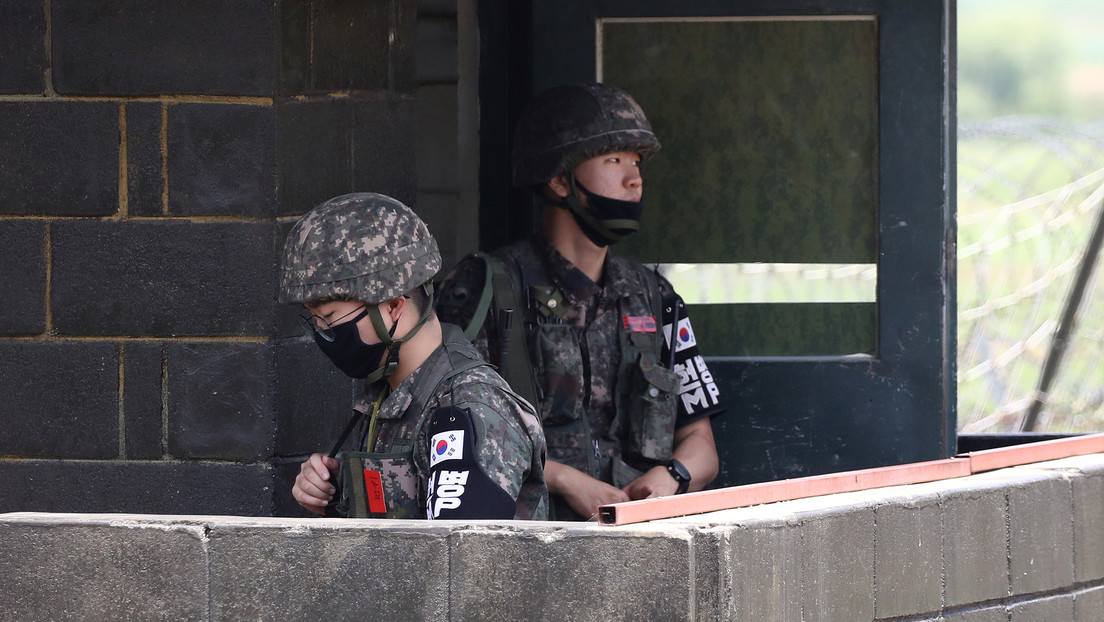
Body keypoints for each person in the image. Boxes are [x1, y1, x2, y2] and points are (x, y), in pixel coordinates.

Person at [437, 82, 726, 521]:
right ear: (558, 179)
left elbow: (701, 443)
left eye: (637, 162)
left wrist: (671, 478)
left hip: (638, 540)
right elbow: (447, 432)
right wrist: (564, 479)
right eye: (614, 160)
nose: (635, 179)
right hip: (530, 541)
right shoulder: (484, 288)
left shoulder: (653, 295)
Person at [280, 192, 548, 520]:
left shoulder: (467, 408)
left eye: (330, 316)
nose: (323, 332)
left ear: (393, 306)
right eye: (315, 319)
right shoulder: (392, 393)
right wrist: (331, 493)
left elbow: (465, 561)